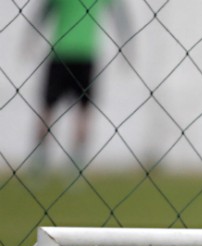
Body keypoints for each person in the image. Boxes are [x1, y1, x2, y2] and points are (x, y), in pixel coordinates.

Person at [30, 0, 131, 171]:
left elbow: (42, 13)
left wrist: (30, 39)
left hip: (64, 52)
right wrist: (128, 45)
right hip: (80, 53)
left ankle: (44, 158)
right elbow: (121, 17)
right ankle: (72, 161)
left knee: (51, 108)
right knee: (80, 111)